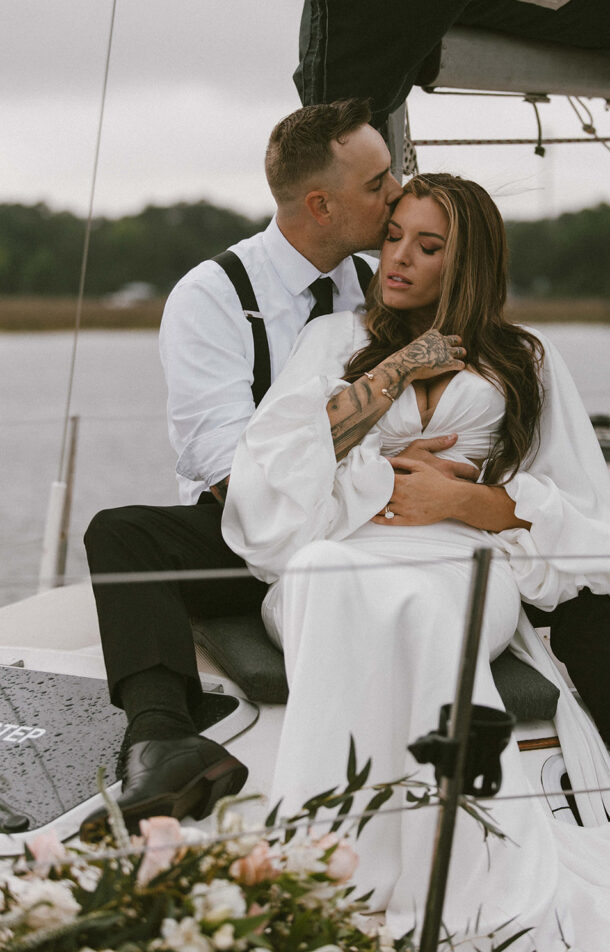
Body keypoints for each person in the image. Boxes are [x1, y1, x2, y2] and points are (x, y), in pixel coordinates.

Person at [222, 173, 610, 950]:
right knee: (324, 580)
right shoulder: (333, 341)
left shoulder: (524, 358)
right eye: (393, 235)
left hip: (460, 553)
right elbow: (274, 468)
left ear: (465, 261)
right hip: (345, 541)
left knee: (430, 610)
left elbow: (583, 512)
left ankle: (454, 873)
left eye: (425, 246)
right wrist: (399, 373)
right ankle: (326, 861)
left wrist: (466, 502)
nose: (396, 257)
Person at [80, 101, 480, 841]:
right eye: (378, 182)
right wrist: (377, 473)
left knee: (564, 576)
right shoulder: (213, 296)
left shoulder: (382, 284)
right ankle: (161, 736)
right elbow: (228, 469)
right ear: (320, 203)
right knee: (123, 536)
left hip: (379, 524)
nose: (396, 191)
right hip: (250, 527)